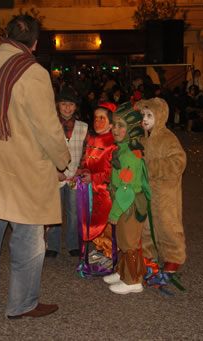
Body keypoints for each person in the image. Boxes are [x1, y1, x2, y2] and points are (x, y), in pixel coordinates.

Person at [0, 15, 69, 319]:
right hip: (22, 171)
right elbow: (48, 128)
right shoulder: (33, 71)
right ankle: (22, 303)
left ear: (7, 35)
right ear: (34, 42)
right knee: (27, 239)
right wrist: (63, 161)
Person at [136, 98, 187, 289]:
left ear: (161, 116)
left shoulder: (167, 138)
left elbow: (179, 161)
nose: (146, 120)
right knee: (147, 225)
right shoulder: (143, 138)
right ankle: (148, 253)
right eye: (143, 116)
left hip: (165, 193)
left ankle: (173, 255)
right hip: (147, 192)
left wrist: (153, 167)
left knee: (167, 224)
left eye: (150, 116)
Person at [102, 102, 151, 295]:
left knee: (129, 243)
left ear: (131, 129)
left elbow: (126, 189)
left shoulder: (129, 156)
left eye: (121, 125)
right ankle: (123, 272)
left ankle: (133, 281)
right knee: (123, 240)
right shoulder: (122, 149)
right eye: (114, 124)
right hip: (124, 204)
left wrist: (115, 212)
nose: (115, 129)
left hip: (128, 205)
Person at [46, 87, 88, 258]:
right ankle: (52, 245)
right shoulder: (50, 126)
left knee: (73, 211)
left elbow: (86, 152)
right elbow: (45, 150)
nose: (67, 108)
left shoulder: (83, 127)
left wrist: (80, 170)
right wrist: (54, 171)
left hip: (74, 176)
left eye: (71, 104)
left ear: (75, 107)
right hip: (55, 176)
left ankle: (72, 244)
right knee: (53, 212)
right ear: (57, 105)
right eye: (64, 104)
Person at [78, 102, 118, 270]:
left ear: (111, 123)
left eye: (102, 118)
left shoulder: (113, 143)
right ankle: (101, 249)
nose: (97, 122)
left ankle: (110, 253)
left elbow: (112, 172)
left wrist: (93, 177)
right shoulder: (92, 138)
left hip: (105, 191)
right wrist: (81, 172)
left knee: (106, 223)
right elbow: (87, 160)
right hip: (92, 190)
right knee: (94, 221)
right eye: (95, 118)